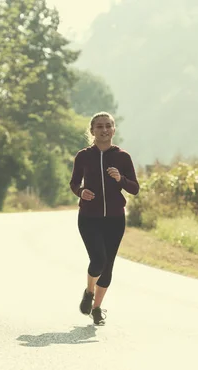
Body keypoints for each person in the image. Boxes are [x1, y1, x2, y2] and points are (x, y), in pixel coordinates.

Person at [69, 111, 139, 325]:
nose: (104, 130)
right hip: (89, 217)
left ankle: (97, 309)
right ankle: (89, 292)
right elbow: (74, 183)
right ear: (92, 131)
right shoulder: (83, 156)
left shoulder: (122, 157)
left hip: (115, 219)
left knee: (108, 266)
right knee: (98, 260)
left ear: (114, 129)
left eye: (108, 126)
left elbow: (134, 188)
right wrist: (81, 192)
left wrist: (120, 178)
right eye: (99, 126)